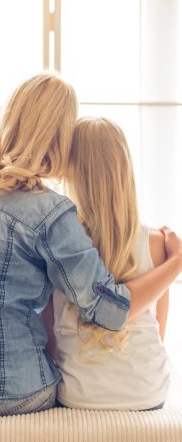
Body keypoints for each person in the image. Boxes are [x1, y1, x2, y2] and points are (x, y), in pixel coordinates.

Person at [0, 74, 181, 417]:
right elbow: (109, 310)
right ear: (58, 139)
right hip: (9, 393)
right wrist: (174, 263)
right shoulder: (50, 212)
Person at [52, 117, 177, 411]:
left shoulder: (58, 244)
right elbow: (158, 331)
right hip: (147, 392)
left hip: (79, 396)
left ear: (71, 174)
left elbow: (50, 339)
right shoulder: (158, 244)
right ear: (124, 171)